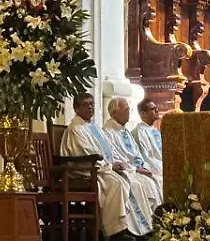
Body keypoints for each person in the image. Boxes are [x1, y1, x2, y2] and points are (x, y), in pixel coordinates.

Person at [61, 94, 155, 240]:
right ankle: (114, 231)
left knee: (128, 180)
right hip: (86, 170)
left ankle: (131, 228)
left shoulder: (94, 127)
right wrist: (109, 165)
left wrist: (117, 164)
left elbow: (110, 149)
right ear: (76, 108)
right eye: (85, 105)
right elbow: (84, 154)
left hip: (102, 168)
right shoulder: (76, 129)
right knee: (116, 183)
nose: (90, 107)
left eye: (91, 104)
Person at [102, 98, 163, 207]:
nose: (128, 112)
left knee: (151, 182)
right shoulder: (108, 131)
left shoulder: (124, 130)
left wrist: (144, 167)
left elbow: (137, 154)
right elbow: (114, 157)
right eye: (126, 110)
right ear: (115, 113)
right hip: (126, 171)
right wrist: (136, 169)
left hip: (137, 169)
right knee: (144, 184)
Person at [130, 99, 164, 188]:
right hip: (153, 168)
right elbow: (146, 157)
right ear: (143, 114)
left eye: (156, 108)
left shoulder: (154, 129)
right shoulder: (139, 132)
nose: (157, 111)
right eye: (153, 109)